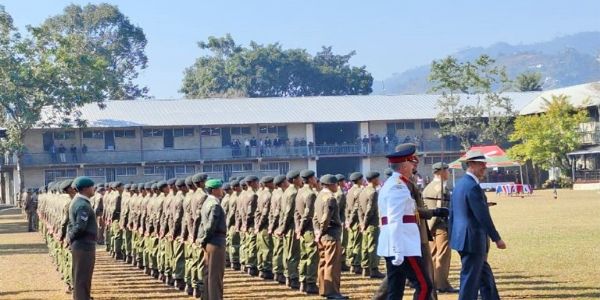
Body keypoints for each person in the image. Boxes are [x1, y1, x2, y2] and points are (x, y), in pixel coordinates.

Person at [376, 144, 433, 299]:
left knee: (396, 288)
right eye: (412, 162)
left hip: (397, 243)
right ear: (404, 165)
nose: (414, 165)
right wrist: (398, 249)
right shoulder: (398, 187)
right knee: (424, 286)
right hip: (403, 244)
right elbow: (394, 219)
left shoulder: (393, 184)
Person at [450, 150, 506, 300]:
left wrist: (453, 236)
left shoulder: (460, 184)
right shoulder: (472, 186)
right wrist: (496, 238)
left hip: (464, 238)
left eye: (485, 164)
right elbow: (482, 216)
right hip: (472, 239)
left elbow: (453, 213)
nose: (484, 167)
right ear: (471, 164)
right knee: (470, 279)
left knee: (483, 274)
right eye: (481, 164)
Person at [423, 162, 459, 293]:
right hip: (440, 226)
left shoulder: (428, 187)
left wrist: (429, 227)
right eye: (447, 170)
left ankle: (432, 282)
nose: (448, 173)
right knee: (443, 255)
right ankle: (442, 284)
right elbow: (441, 209)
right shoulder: (441, 188)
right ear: (440, 172)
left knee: (432, 255)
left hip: (429, 225)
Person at [314, 174, 348, 300]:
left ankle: (323, 289)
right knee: (332, 265)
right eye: (335, 184)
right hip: (331, 235)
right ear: (329, 185)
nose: (337, 186)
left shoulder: (319, 196)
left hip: (322, 235)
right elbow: (326, 218)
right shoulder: (330, 198)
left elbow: (315, 218)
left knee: (323, 263)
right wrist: (321, 231)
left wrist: (318, 232)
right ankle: (332, 292)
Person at [67, 176, 98, 300]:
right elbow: (80, 227)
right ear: (85, 189)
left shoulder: (78, 201)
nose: (93, 189)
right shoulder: (82, 205)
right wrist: (70, 237)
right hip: (84, 245)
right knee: (82, 278)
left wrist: (70, 237)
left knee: (81, 276)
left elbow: (71, 224)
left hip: (81, 245)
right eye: (92, 187)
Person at [197, 179, 227, 300]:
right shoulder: (214, 205)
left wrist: (202, 240)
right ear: (214, 190)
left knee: (208, 273)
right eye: (220, 188)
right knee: (215, 276)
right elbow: (211, 225)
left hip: (210, 242)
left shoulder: (207, 203)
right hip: (215, 242)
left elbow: (202, 225)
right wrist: (205, 239)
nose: (222, 190)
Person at [357, 171, 384, 278]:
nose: (379, 180)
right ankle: (373, 269)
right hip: (372, 223)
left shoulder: (363, 191)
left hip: (364, 223)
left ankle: (365, 268)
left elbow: (359, 209)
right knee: (372, 246)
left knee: (365, 246)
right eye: (378, 178)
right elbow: (370, 210)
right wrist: (365, 223)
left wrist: (361, 222)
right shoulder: (373, 192)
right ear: (373, 180)